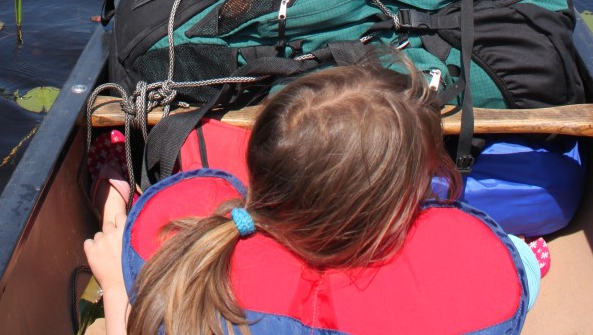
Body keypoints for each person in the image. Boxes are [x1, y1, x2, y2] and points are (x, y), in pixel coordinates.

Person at [84, 59, 543, 335]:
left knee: (127, 273)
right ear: (387, 215)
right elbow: (511, 268)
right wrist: (528, 262)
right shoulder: (474, 281)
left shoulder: (191, 275)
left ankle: (112, 218)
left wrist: (115, 286)